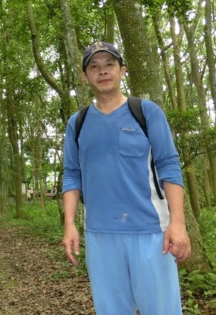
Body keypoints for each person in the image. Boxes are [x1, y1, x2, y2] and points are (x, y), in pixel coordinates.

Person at [62, 41, 191, 315]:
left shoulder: (146, 112)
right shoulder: (78, 123)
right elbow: (72, 174)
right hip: (99, 234)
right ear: (84, 77)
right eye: (94, 67)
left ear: (122, 71)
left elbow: (169, 165)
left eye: (109, 64)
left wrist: (178, 223)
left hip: (151, 231)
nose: (102, 71)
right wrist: (69, 224)